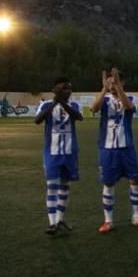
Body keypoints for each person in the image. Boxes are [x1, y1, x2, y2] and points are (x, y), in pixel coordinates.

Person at [92, 68, 138, 232]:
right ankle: (108, 220)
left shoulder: (130, 98)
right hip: (107, 148)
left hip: (127, 147)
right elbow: (94, 109)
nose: (112, 85)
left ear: (122, 83)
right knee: (109, 182)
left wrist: (118, 87)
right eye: (110, 82)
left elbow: (129, 107)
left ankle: (136, 216)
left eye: (115, 82)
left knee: (135, 180)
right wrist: (104, 88)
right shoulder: (104, 100)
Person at [35, 77, 83, 234]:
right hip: (52, 152)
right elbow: (38, 120)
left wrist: (61, 102)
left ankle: (60, 219)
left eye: (69, 88)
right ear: (55, 89)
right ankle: (52, 223)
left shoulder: (74, 104)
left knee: (65, 187)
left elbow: (79, 117)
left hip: (70, 152)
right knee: (52, 187)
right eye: (64, 88)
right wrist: (55, 103)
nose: (68, 91)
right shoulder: (46, 104)